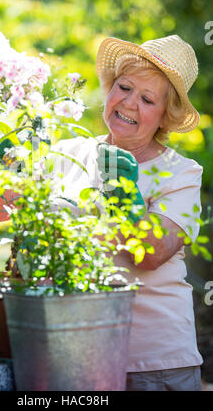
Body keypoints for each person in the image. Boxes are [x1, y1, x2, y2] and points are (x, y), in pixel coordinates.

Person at [52, 35, 203, 391]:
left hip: (154, 364)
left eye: (147, 99)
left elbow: (151, 255)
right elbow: (0, 213)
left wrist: (125, 198)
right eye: (124, 87)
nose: (129, 103)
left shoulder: (183, 173)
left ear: (165, 116)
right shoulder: (66, 153)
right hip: (75, 353)